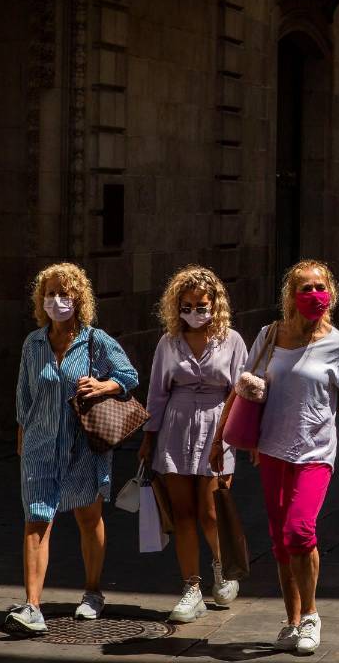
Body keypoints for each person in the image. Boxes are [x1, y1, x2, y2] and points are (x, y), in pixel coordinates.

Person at [212, 260, 339, 656]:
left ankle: (311, 616)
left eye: (320, 287)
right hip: (271, 451)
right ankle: (292, 622)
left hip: (315, 453)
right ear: (290, 296)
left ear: (330, 291)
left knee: (300, 531)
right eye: (305, 288)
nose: (314, 295)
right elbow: (241, 389)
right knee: (281, 543)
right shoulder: (269, 335)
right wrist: (219, 440)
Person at [7, 263, 140, 634]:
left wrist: (103, 386)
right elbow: (24, 393)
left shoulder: (95, 340)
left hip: (84, 447)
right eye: (50, 293)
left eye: (64, 293)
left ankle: (93, 591)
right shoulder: (33, 344)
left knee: (88, 517)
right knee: (36, 519)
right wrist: (22, 434)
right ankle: (32, 605)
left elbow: (128, 376)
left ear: (78, 298)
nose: (56, 300)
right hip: (39, 443)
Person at [139, 266, 248, 622]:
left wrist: (235, 439)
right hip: (176, 426)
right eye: (187, 305)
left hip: (217, 427)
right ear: (176, 306)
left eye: (202, 305)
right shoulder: (168, 342)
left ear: (215, 304)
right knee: (182, 513)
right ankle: (191, 587)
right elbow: (157, 393)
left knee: (211, 510)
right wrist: (148, 438)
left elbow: (240, 392)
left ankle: (222, 567)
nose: (195, 312)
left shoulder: (231, 340)